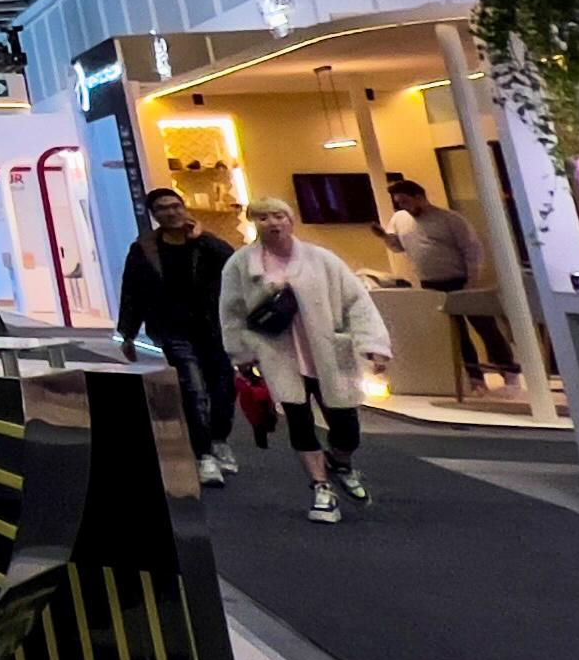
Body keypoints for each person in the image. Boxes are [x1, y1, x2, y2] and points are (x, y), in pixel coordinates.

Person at [222, 196, 394, 523]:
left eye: (278, 216)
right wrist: (241, 353)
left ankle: (340, 462)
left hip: (328, 352)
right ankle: (320, 487)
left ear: (290, 220)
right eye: (263, 218)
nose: (272, 223)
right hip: (278, 354)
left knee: (347, 426)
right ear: (254, 223)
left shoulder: (322, 259)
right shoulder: (241, 264)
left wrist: (372, 343)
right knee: (299, 422)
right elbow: (231, 311)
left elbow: (356, 300)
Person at [115, 188, 240, 486]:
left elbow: (233, 265)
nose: (171, 212)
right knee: (192, 389)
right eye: (162, 208)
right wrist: (128, 333)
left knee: (223, 388)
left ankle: (219, 440)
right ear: (154, 215)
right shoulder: (145, 249)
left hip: (214, 329)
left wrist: (203, 237)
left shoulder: (206, 245)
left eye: (175, 206)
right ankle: (204, 455)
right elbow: (132, 290)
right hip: (172, 329)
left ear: (184, 208)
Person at [385, 176, 513, 383]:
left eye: (406, 201)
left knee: (485, 327)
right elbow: (399, 247)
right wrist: (385, 238)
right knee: (456, 333)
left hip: (460, 280)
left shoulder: (449, 219)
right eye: (399, 203)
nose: (403, 206)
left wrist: (472, 281)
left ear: (419, 197)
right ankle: (474, 377)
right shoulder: (400, 219)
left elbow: (472, 249)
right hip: (430, 283)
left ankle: (509, 372)